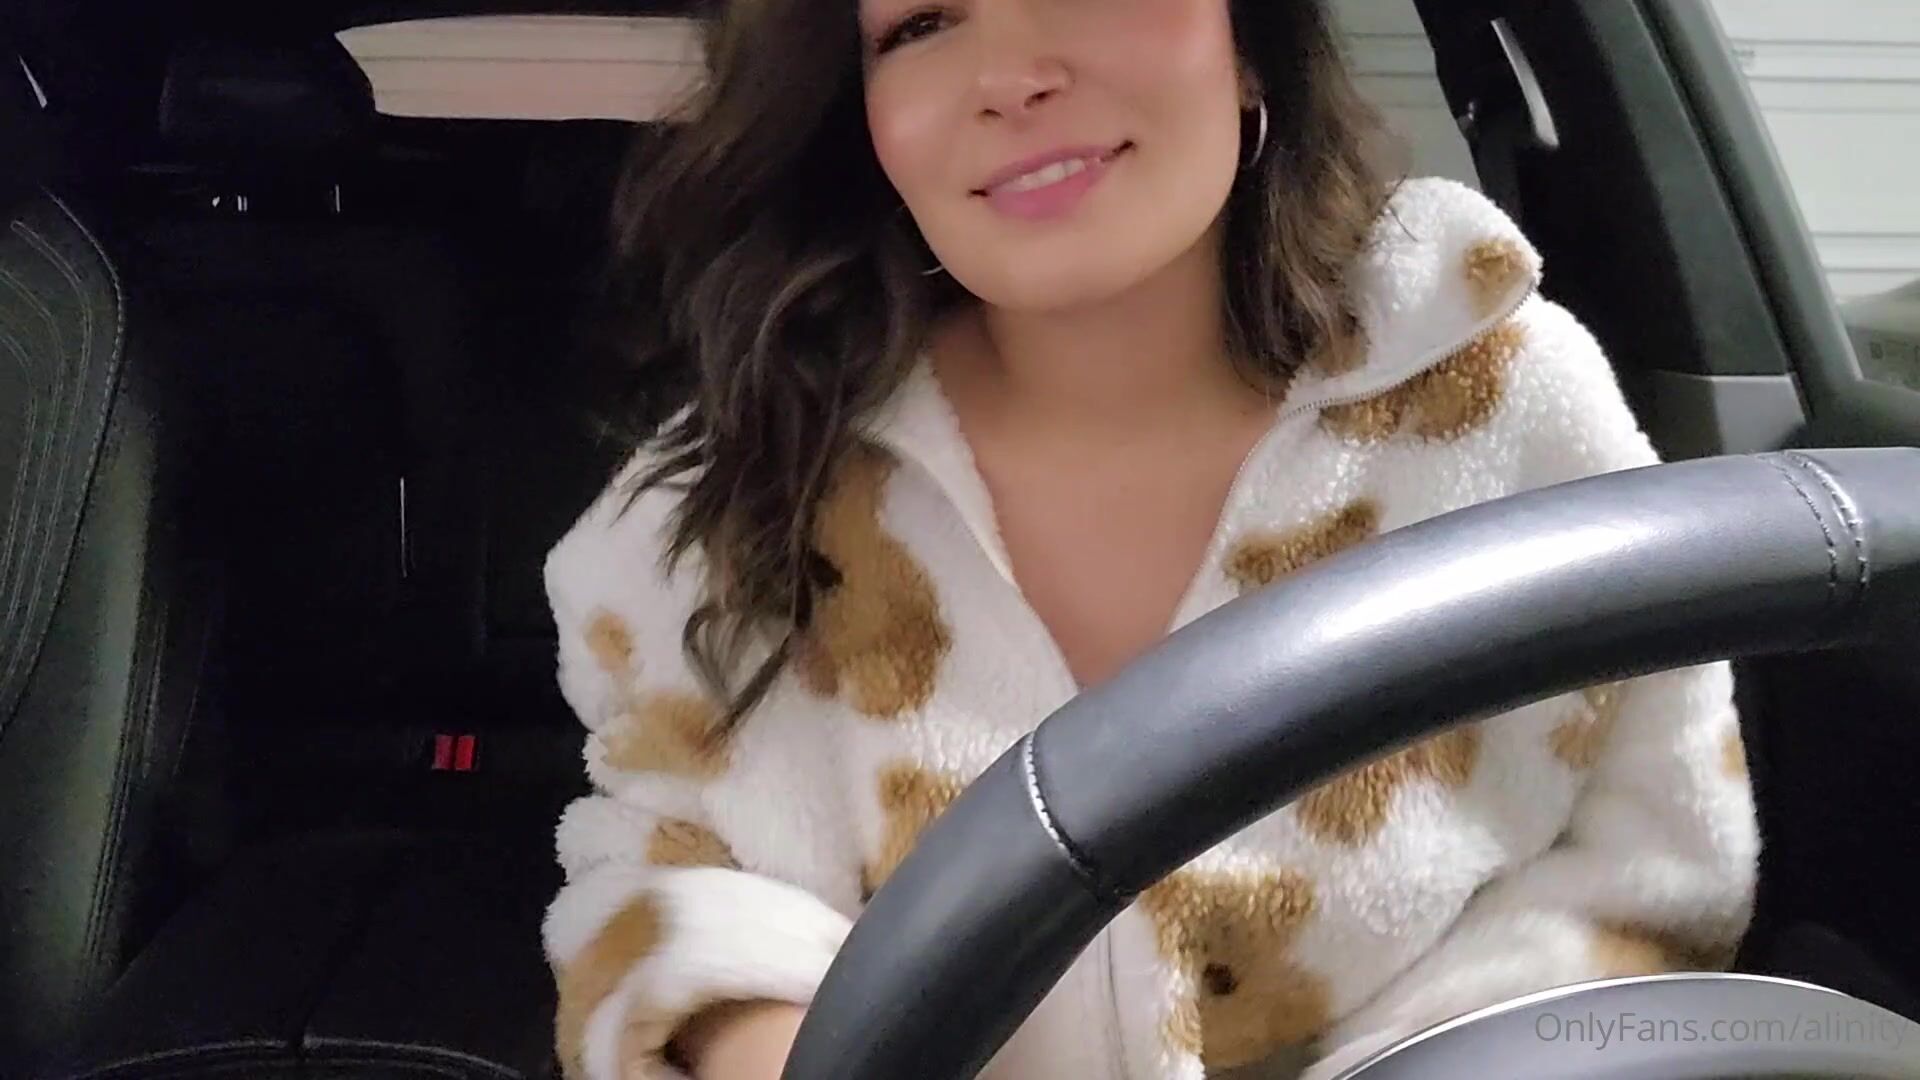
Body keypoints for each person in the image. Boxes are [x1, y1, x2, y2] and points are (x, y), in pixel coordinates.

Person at [537, 1, 1760, 1077]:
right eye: (917, 25)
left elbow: (1648, 868)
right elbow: (665, 874)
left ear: (1250, 45)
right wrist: (785, 1052)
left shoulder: (1506, 407)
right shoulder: (726, 501)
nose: (1010, 75)